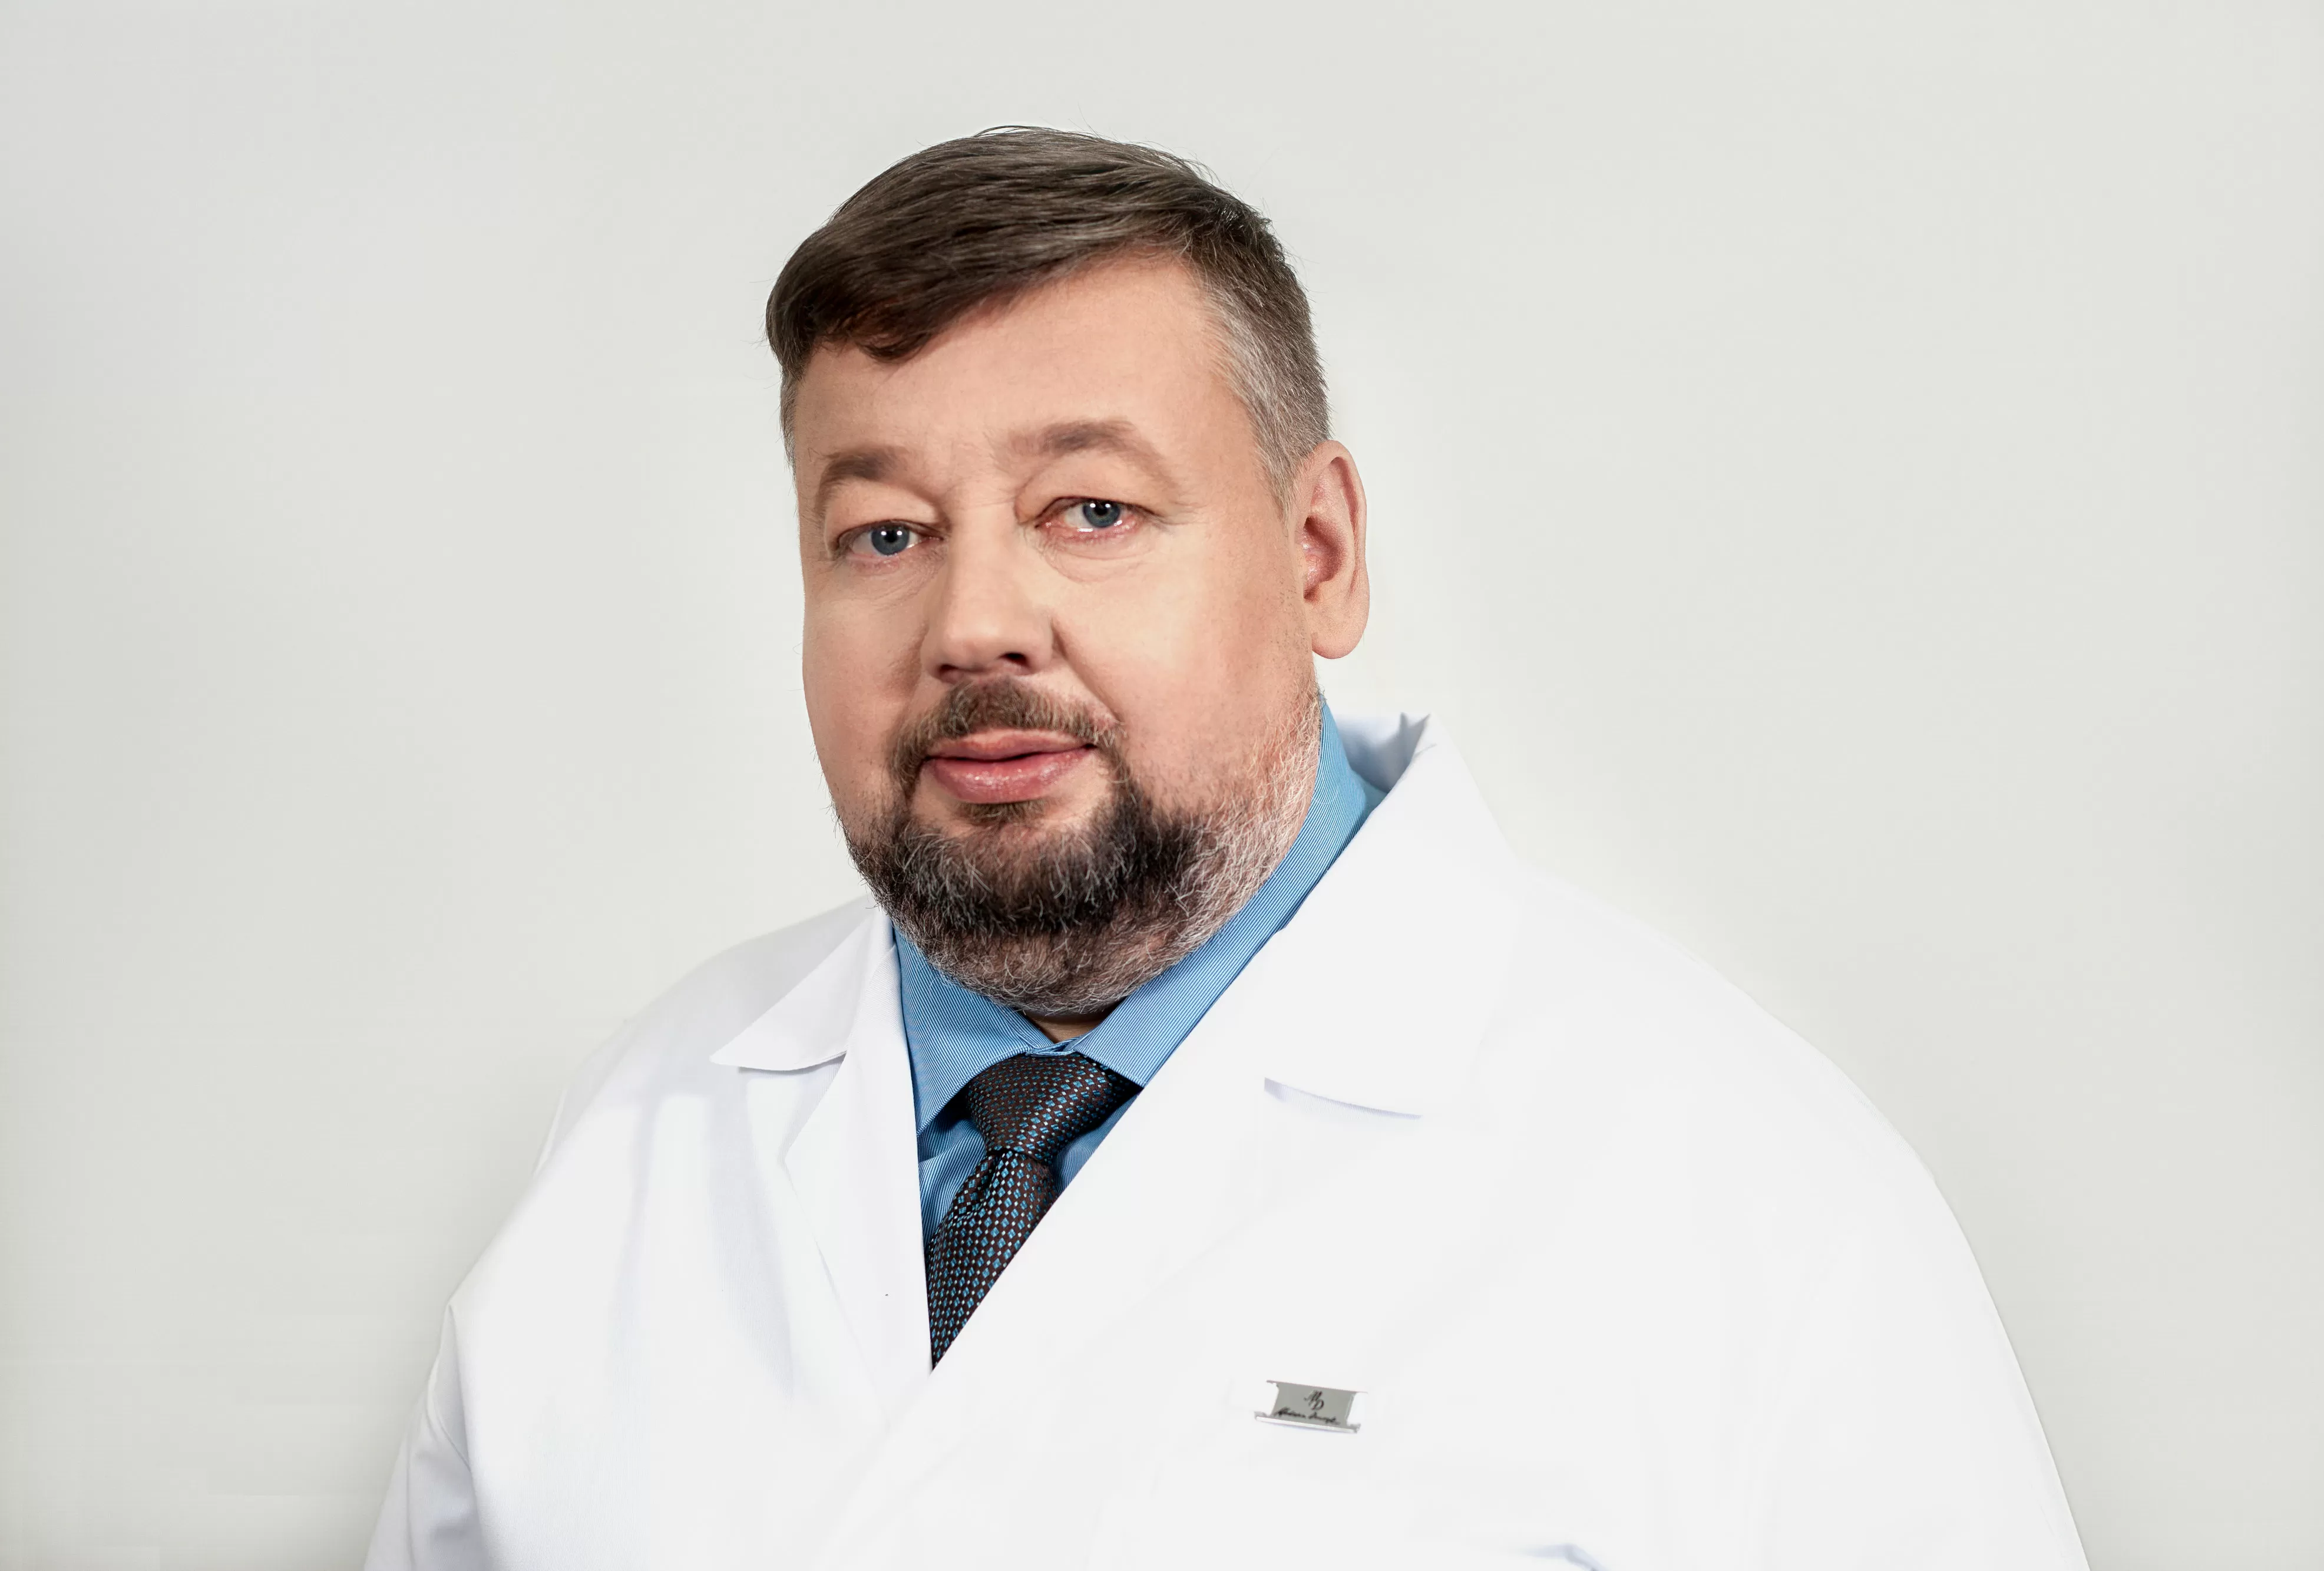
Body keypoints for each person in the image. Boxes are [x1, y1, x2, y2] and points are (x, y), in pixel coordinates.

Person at [366, 128, 2087, 1570]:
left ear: (1318, 552)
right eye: (883, 534)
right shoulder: (639, 1132)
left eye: (1091, 511)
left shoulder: (1744, 1195)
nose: (974, 623)